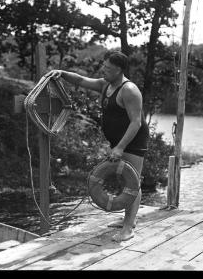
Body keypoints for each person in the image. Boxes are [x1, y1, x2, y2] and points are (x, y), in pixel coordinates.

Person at [45, 50, 149, 242]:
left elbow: (136, 122)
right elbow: (81, 80)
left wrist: (119, 147)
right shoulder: (105, 85)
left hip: (133, 140)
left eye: (108, 68)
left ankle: (128, 227)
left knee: (133, 181)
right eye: (104, 66)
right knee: (123, 178)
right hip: (118, 141)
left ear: (119, 70)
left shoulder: (129, 90)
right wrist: (62, 73)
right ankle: (128, 219)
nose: (104, 69)